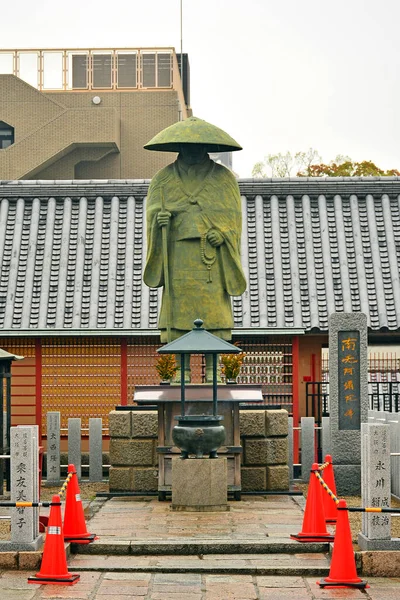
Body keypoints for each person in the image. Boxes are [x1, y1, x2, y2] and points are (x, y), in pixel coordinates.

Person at [143, 117, 246, 381]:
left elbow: (233, 219)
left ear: (206, 148)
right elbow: (153, 213)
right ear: (178, 147)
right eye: (186, 146)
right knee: (179, 315)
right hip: (177, 257)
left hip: (212, 261)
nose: (191, 151)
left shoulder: (223, 179)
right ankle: (181, 371)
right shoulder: (163, 179)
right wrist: (159, 222)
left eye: (196, 146)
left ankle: (214, 371)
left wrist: (222, 235)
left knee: (212, 314)